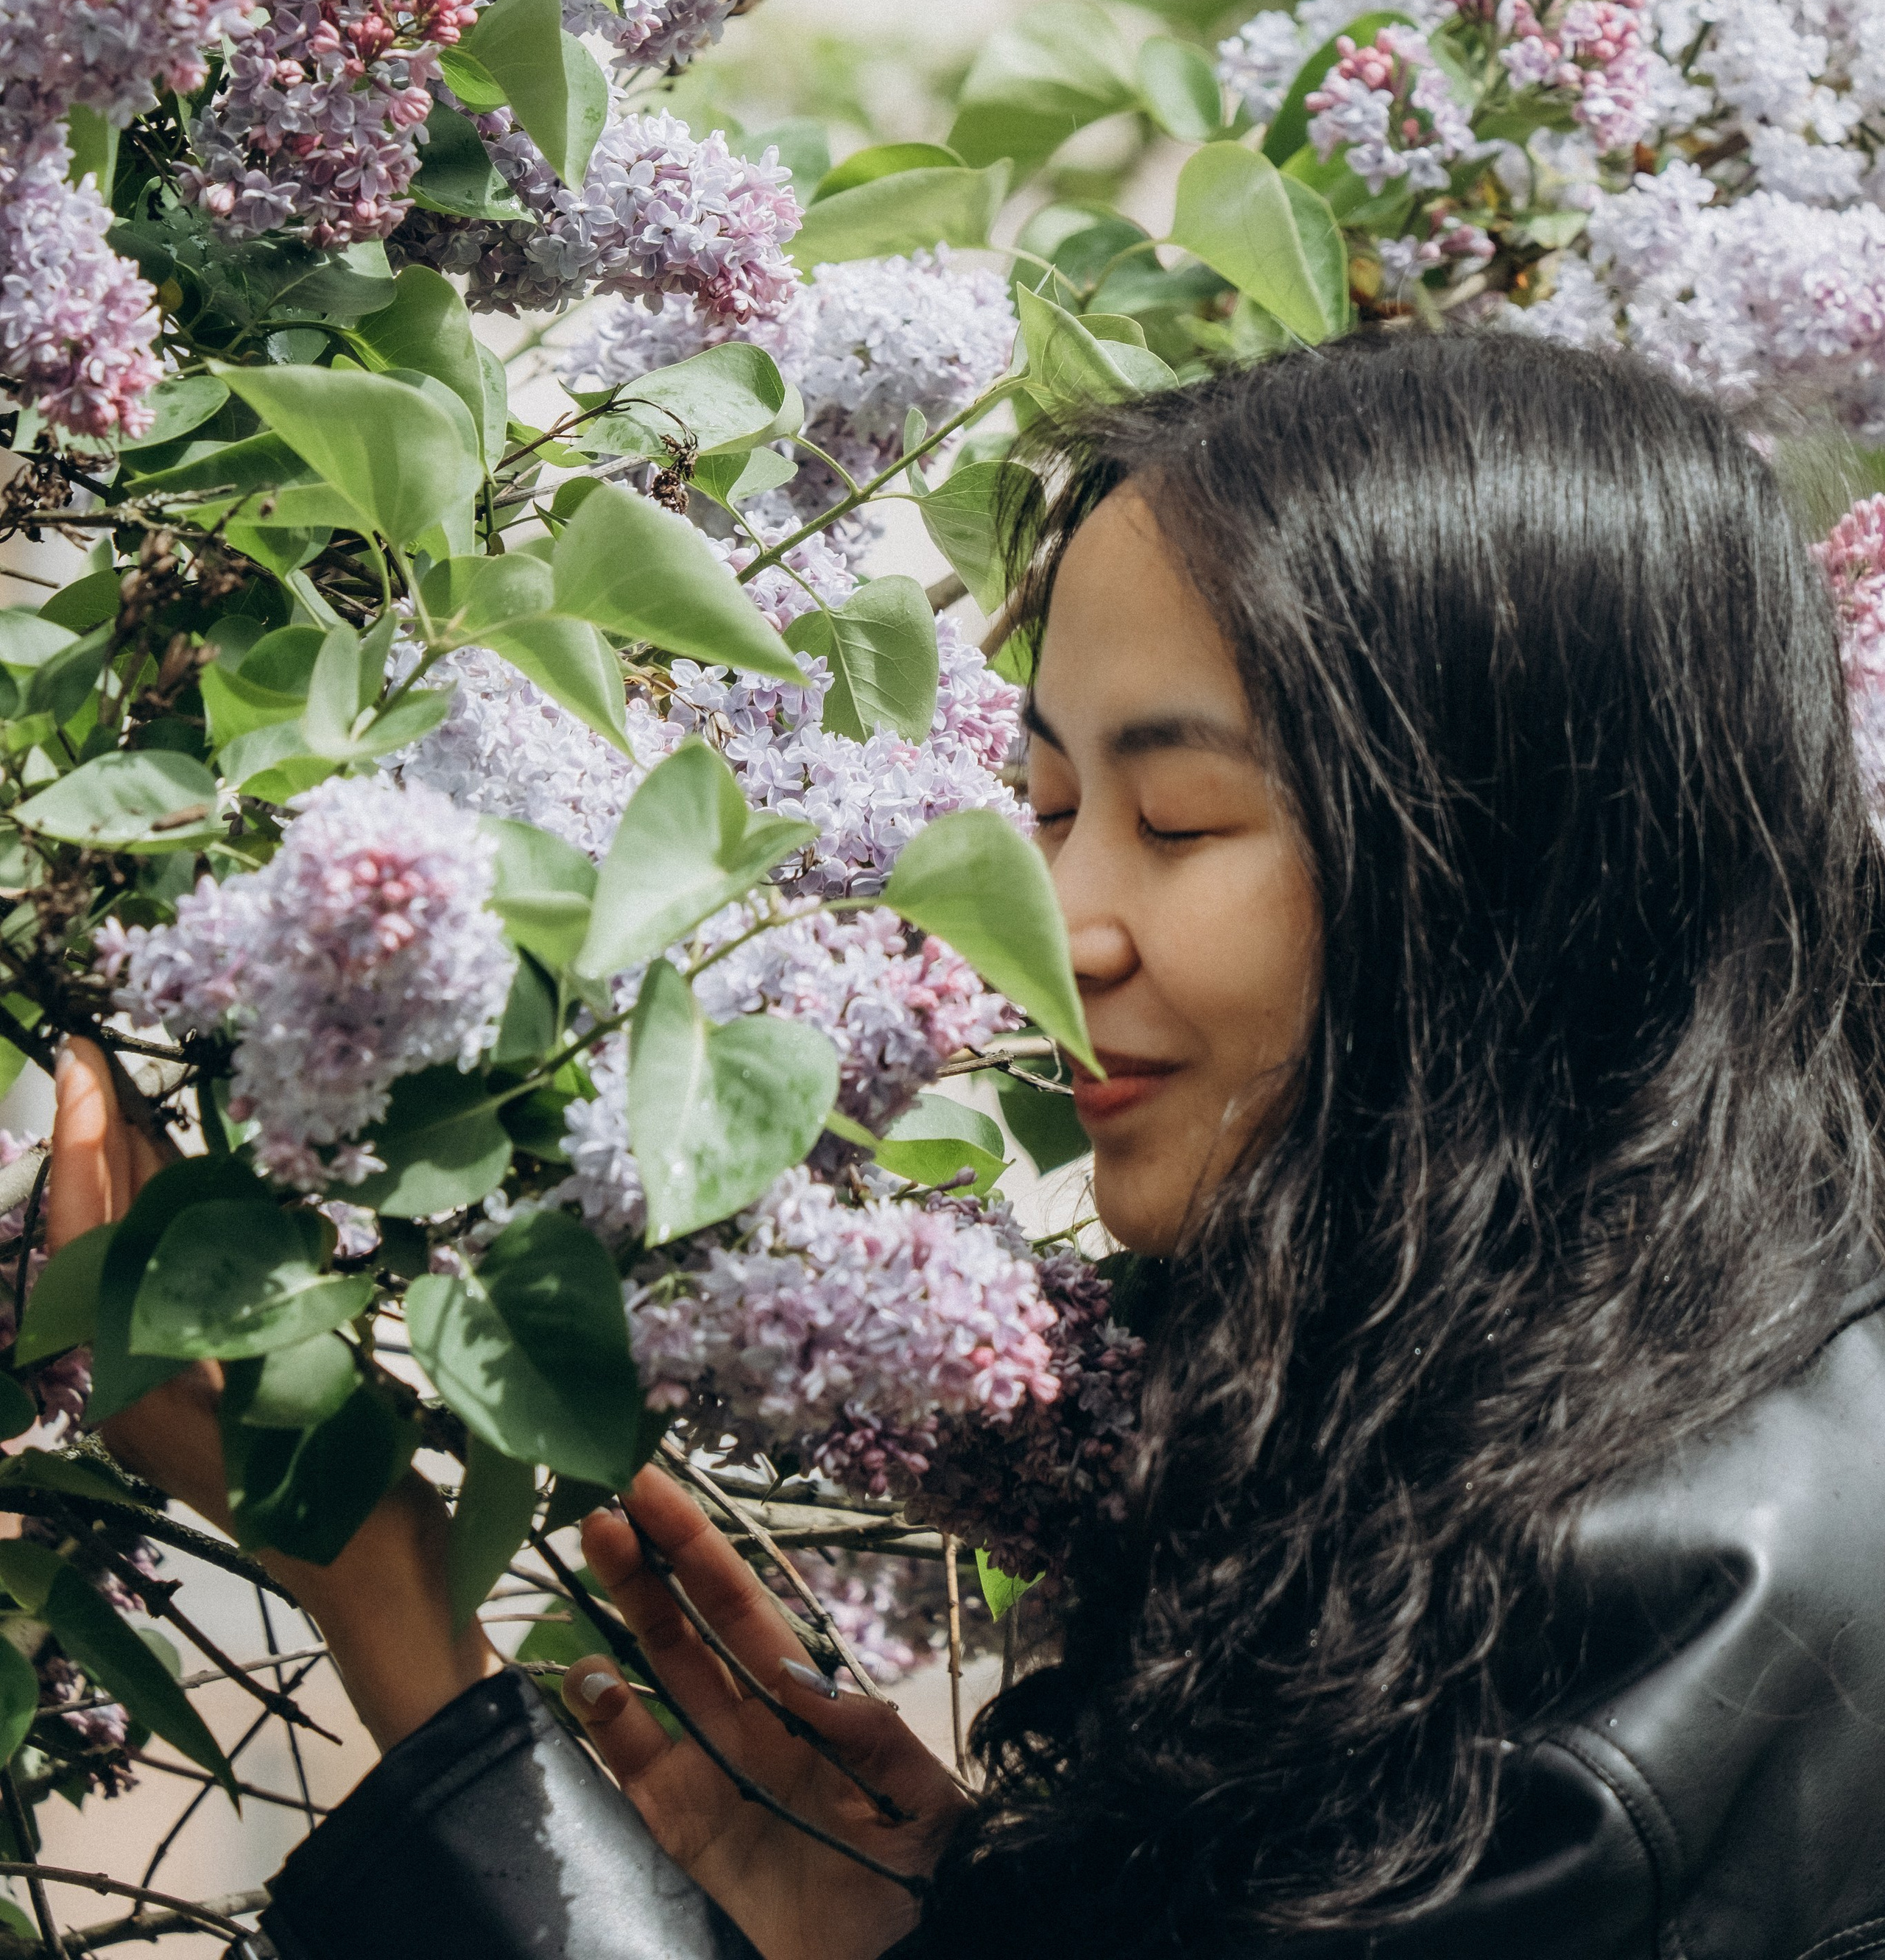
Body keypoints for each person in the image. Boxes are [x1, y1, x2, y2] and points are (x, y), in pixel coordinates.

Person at [46, 328, 1885, 1960]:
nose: (1043, 925)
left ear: (1512, 872)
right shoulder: (1552, 1429)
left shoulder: (1602, 1659)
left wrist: (389, 1609)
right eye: (1044, 807)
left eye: (1171, 820)